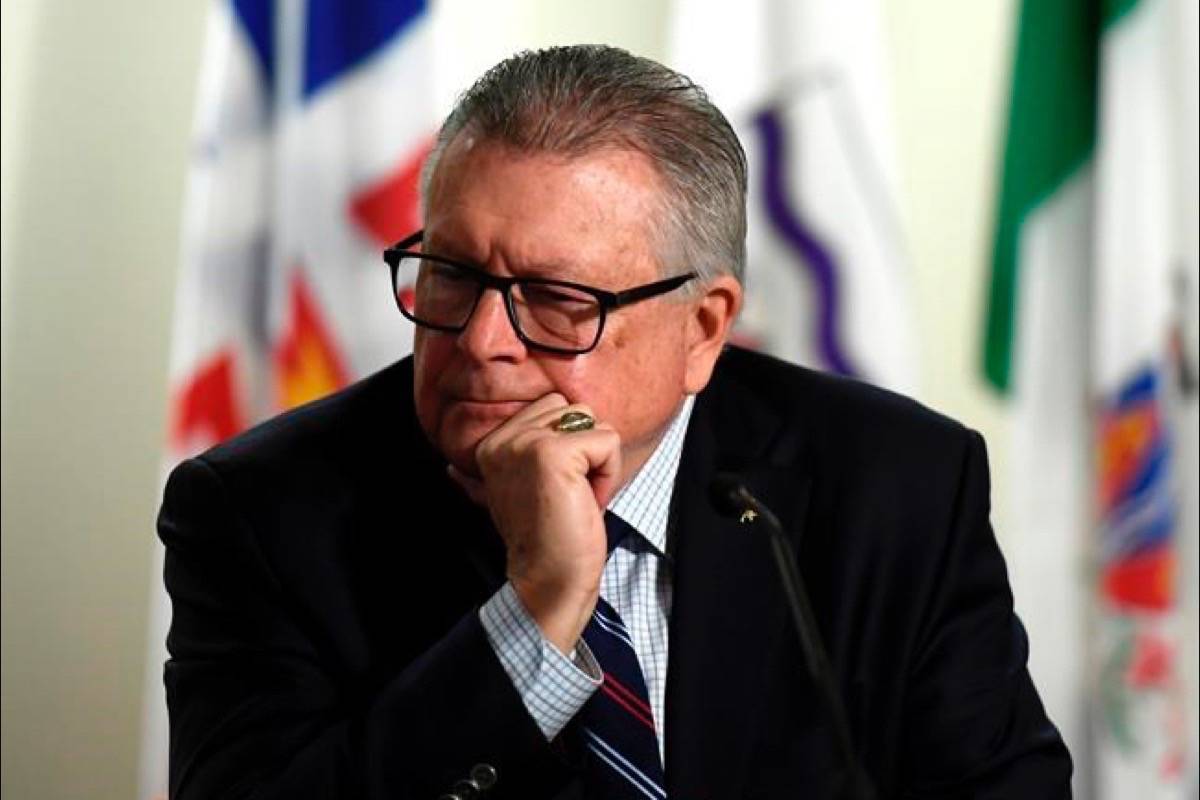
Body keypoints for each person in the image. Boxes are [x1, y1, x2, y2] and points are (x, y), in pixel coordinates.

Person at [158, 45, 1072, 799]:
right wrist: (538, 607)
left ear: (703, 328)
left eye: (555, 300)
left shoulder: (894, 486)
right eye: (450, 275)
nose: (481, 342)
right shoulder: (263, 515)